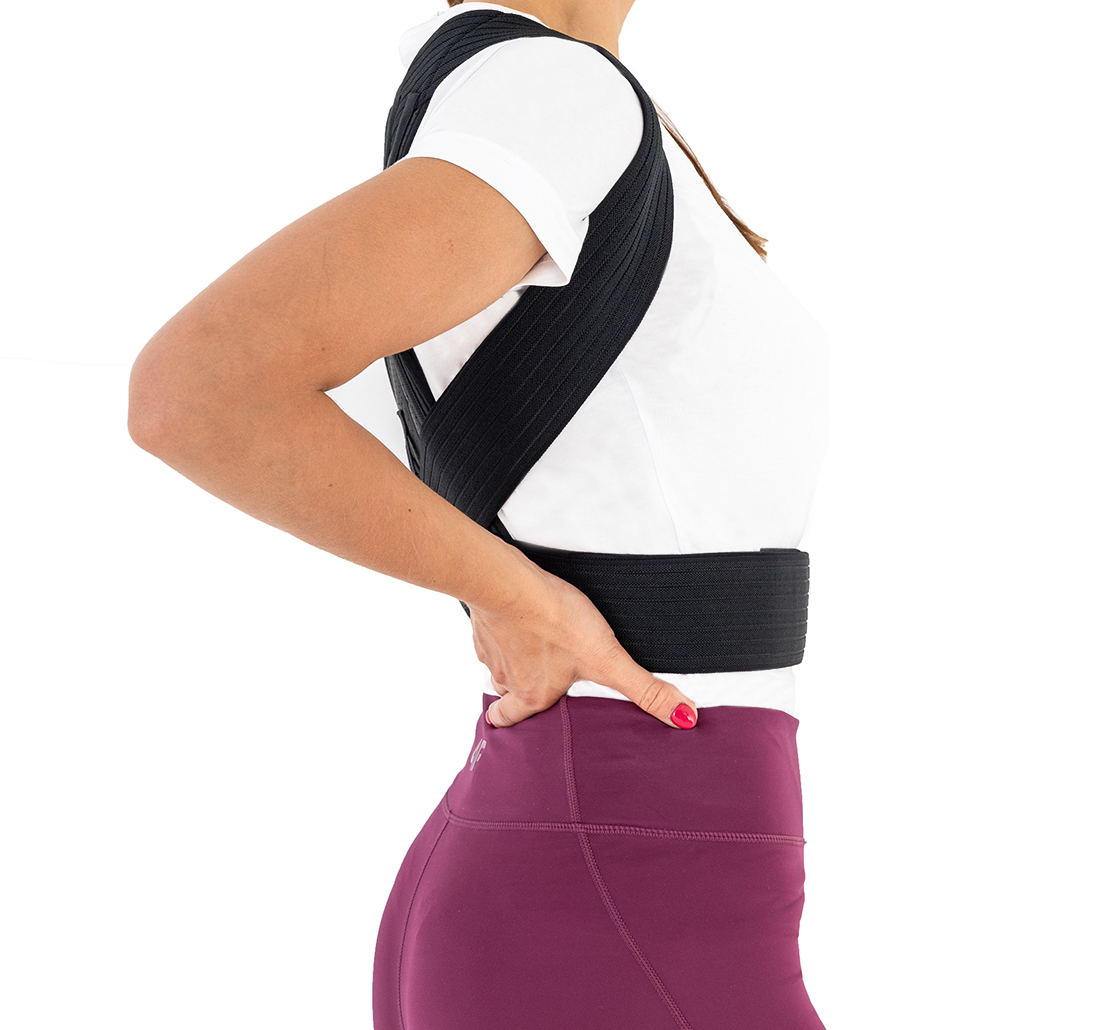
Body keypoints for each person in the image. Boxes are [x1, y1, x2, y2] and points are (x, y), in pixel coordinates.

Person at [128, 1, 830, 1026]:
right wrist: (514, 596)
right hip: (627, 860)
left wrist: (507, 588)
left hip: (612, 848)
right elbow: (197, 392)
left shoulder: (537, 94)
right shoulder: (553, 94)